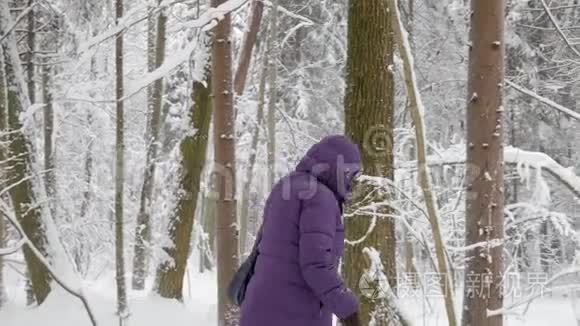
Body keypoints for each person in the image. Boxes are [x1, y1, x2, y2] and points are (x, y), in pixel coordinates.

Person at [239, 135, 362, 326]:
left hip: (258, 308)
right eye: (350, 174)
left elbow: (262, 246)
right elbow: (316, 266)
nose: (351, 182)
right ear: (338, 169)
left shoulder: (285, 186)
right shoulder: (321, 198)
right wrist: (347, 308)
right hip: (296, 313)